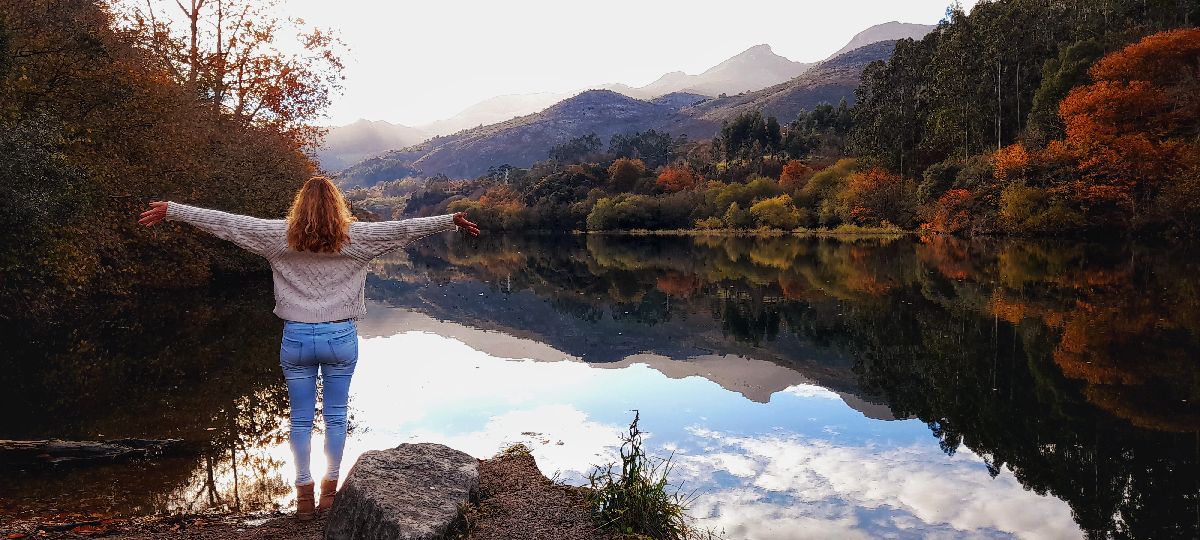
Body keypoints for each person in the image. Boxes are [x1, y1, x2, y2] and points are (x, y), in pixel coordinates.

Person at [138, 176, 479, 520]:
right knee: (335, 417)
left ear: (300, 205)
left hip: (297, 338)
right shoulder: (357, 237)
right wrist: (448, 220)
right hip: (340, 338)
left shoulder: (278, 236)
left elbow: (229, 225)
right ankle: (329, 493)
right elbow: (404, 230)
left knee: (300, 421)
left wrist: (174, 211)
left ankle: (303, 498)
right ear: (338, 206)